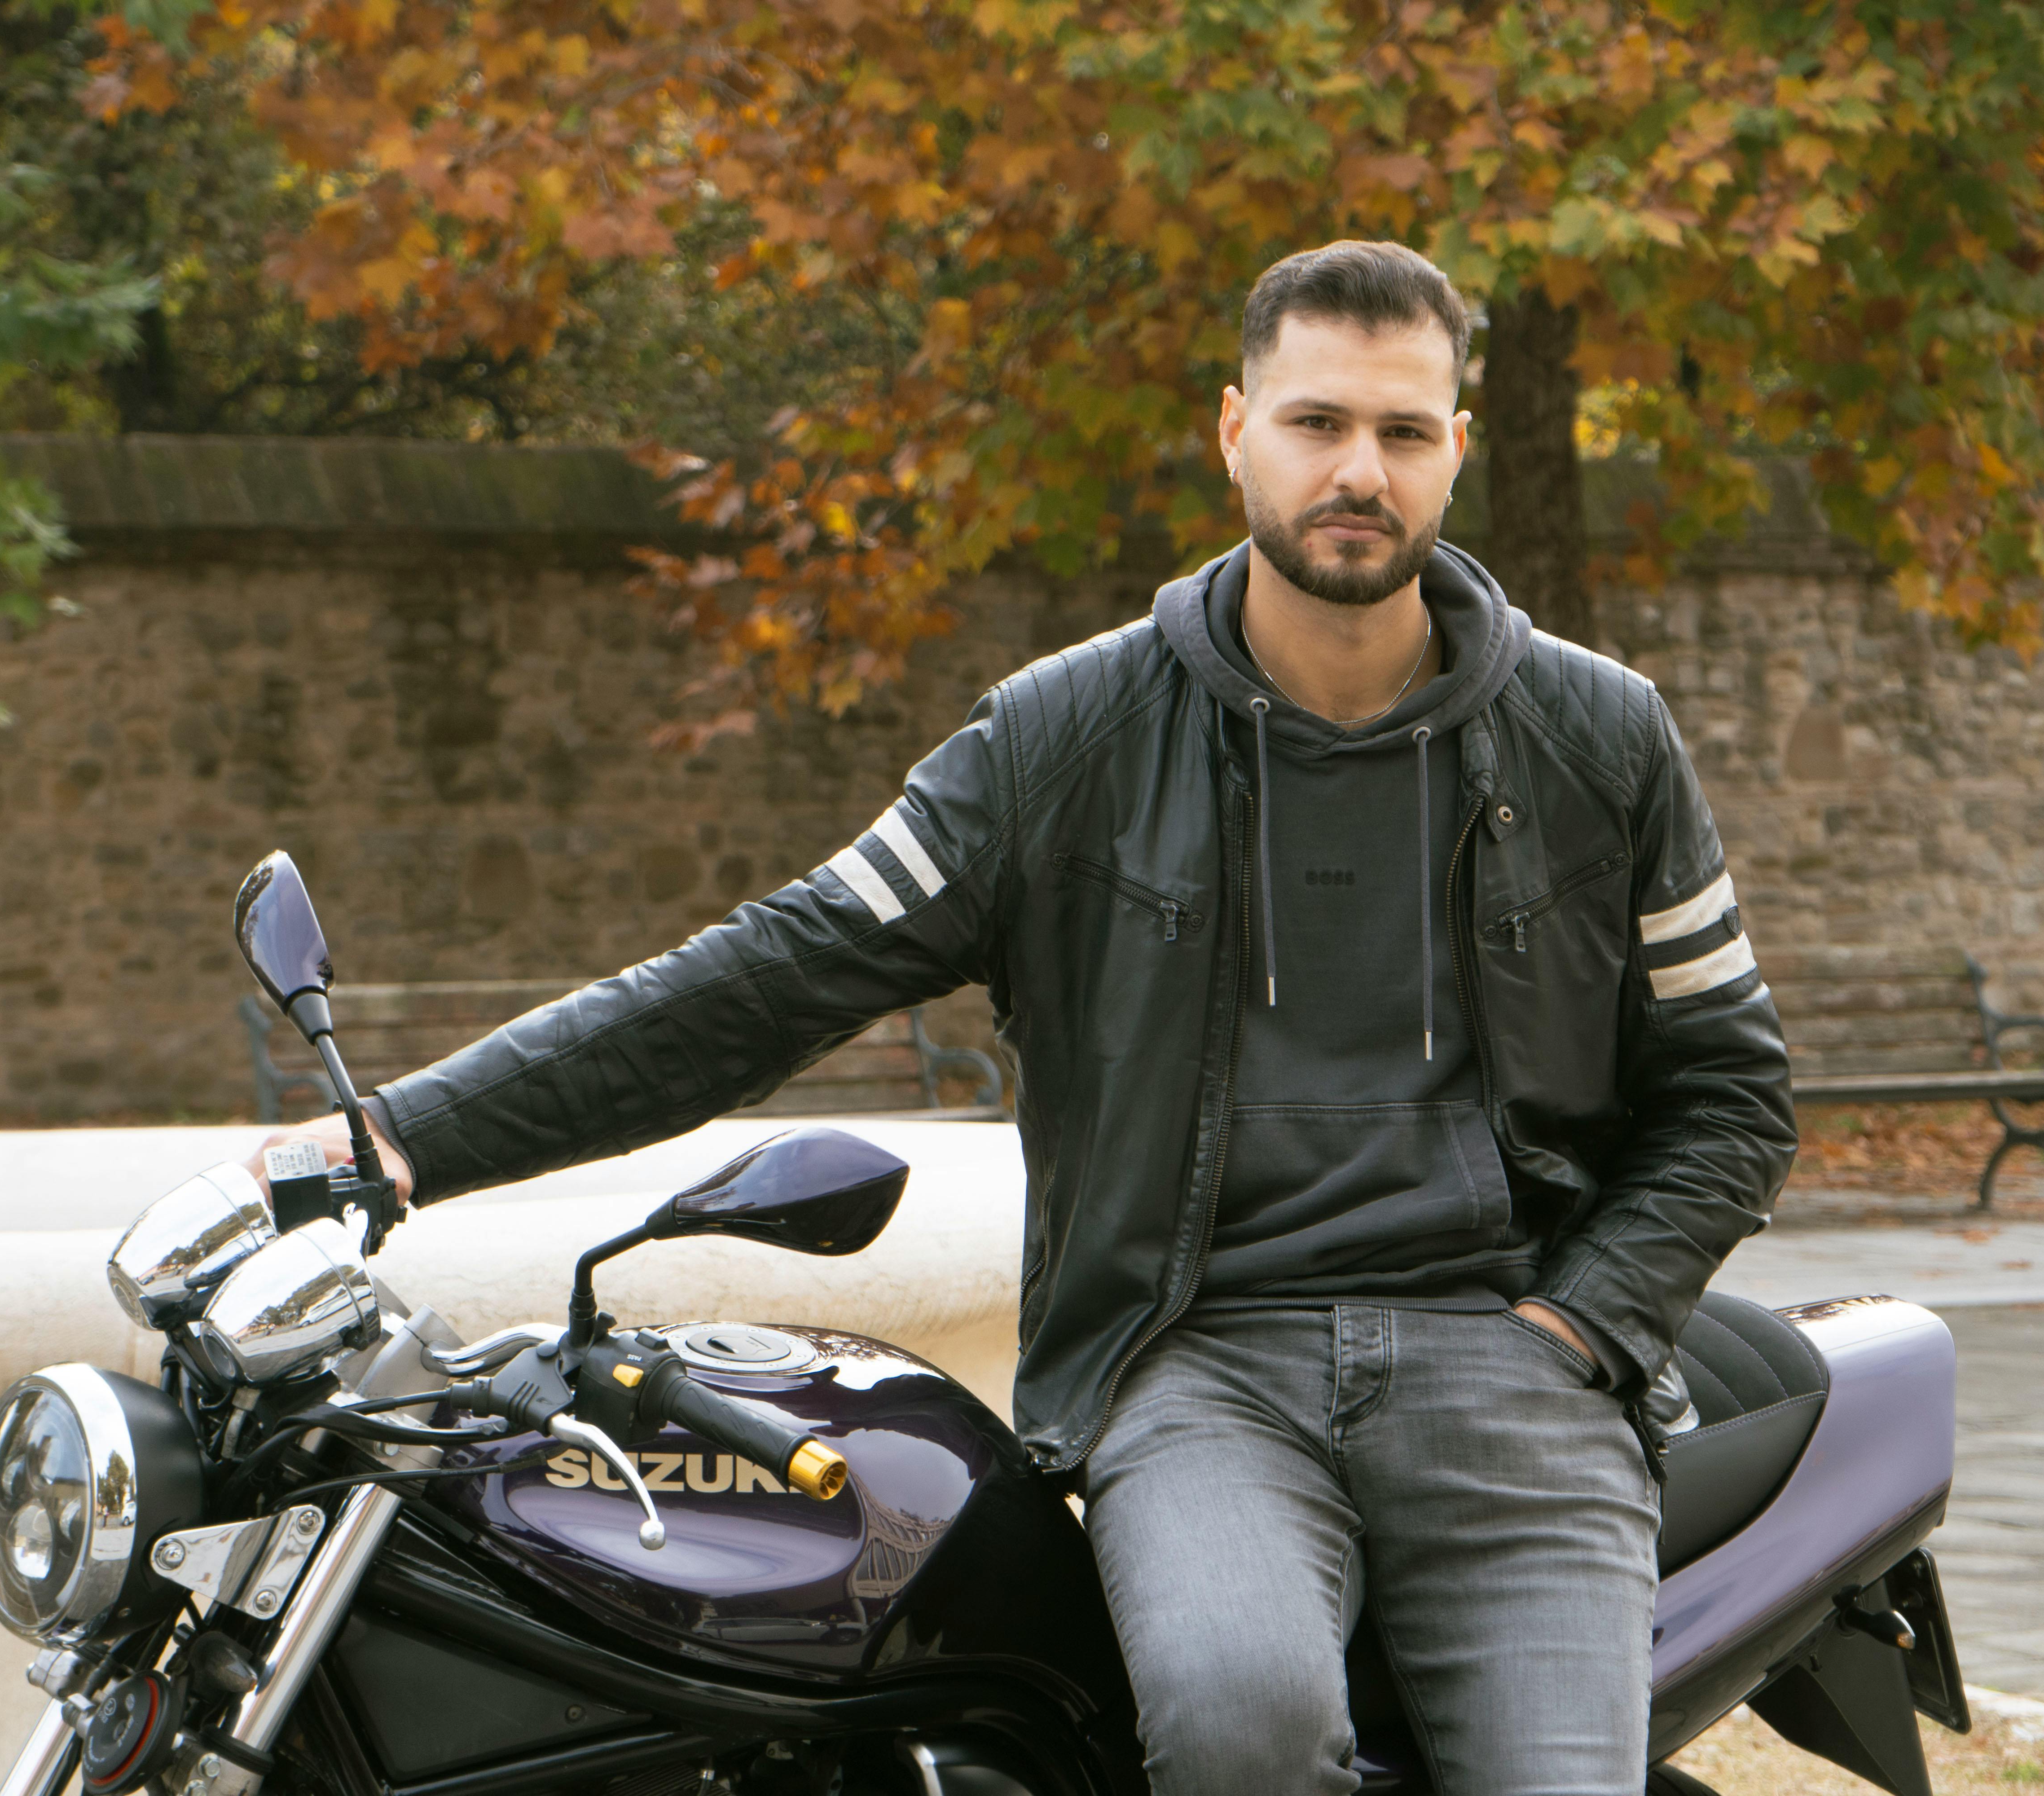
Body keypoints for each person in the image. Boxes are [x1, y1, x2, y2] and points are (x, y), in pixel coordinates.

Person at [253, 240, 1797, 1794]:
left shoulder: (1602, 739)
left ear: (1457, 447)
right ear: (1235, 431)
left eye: (1403, 432)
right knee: (1238, 1728)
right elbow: (770, 973)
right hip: (1197, 1362)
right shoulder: (1064, 740)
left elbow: (1733, 1090)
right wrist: (405, 1136)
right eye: (1317, 422)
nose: (1359, 472)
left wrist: (1581, 1323)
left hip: (1509, 1364)